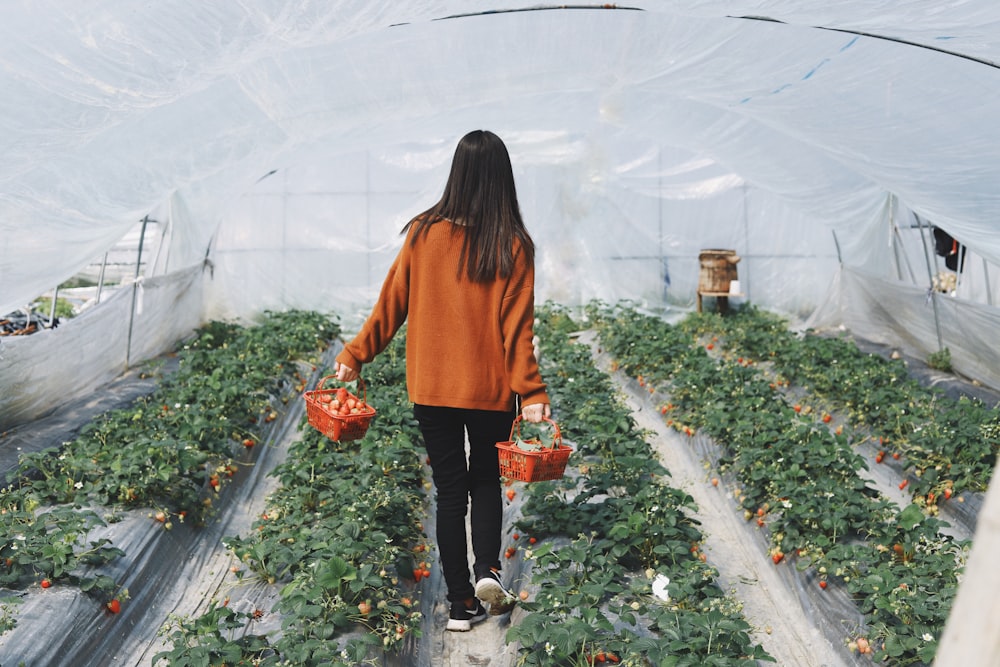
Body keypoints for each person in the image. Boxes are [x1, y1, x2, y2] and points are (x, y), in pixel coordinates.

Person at [333, 130, 551, 632]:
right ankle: (486, 571)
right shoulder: (512, 244)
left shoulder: (424, 234)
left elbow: (392, 304)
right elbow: (518, 332)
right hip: (490, 390)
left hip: (431, 389)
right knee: (485, 482)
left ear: (456, 173)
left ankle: (459, 605)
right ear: (502, 179)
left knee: (450, 490)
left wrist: (355, 354)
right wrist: (533, 391)